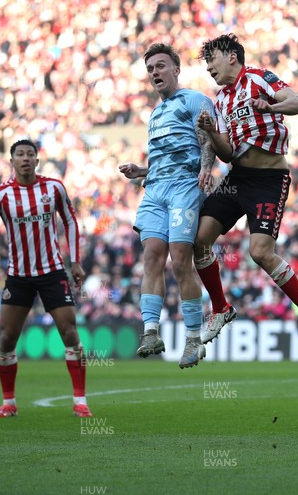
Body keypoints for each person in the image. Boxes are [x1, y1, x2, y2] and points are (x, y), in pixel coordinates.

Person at [193, 33, 298, 355]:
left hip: (269, 178)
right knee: (198, 240)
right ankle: (221, 308)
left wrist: (270, 105)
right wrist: (212, 131)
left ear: (232, 57)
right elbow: (225, 154)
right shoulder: (221, 100)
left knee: (261, 253)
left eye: (212, 58)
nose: (209, 66)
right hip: (238, 176)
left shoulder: (258, 78)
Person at [0, 139, 92, 417]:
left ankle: (80, 401)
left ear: (37, 161)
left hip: (52, 272)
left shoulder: (54, 187)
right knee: (7, 338)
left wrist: (76, 262)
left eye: (30, 154)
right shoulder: (1, 194)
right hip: (18, 275)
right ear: (11, 161)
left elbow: (70, 221)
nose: (25, 158)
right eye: (20, 155)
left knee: (70, 332)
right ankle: (9, 402)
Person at [119, 43, 220, 368]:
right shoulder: (155, 113)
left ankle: (193, 340)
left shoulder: (195, 100)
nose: (155, 73)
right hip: (155, 189)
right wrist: (142, 171)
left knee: (179, 260)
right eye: (150, 69)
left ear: (176, 69)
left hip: (184, 188)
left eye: (160, 66)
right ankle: (151, 332)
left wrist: (206, 167)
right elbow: (166, 156)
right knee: (151, 256)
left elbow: (206, 140)